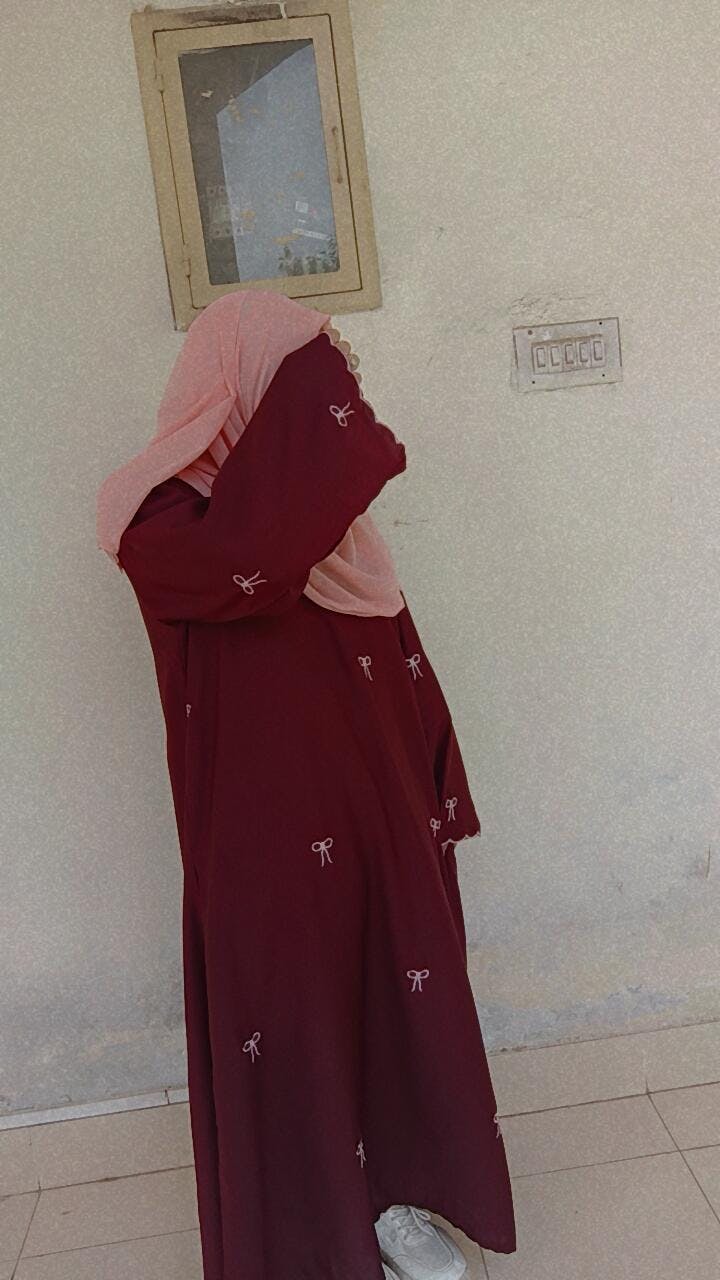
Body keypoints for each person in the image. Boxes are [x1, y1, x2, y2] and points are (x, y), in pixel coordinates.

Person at [95, 289, 516, 1280]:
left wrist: (430, 783)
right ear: (238, 385)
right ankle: (305, 1231)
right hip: (259, 827)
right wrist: (319, 403)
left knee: (389, 989)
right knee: (287, 1010)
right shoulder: (161, 519)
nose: (331, 404)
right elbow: (252, 555)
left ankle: (388, 1201)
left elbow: (396, 655)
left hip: (372, 809)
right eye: (300, 382)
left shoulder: (333, 528)